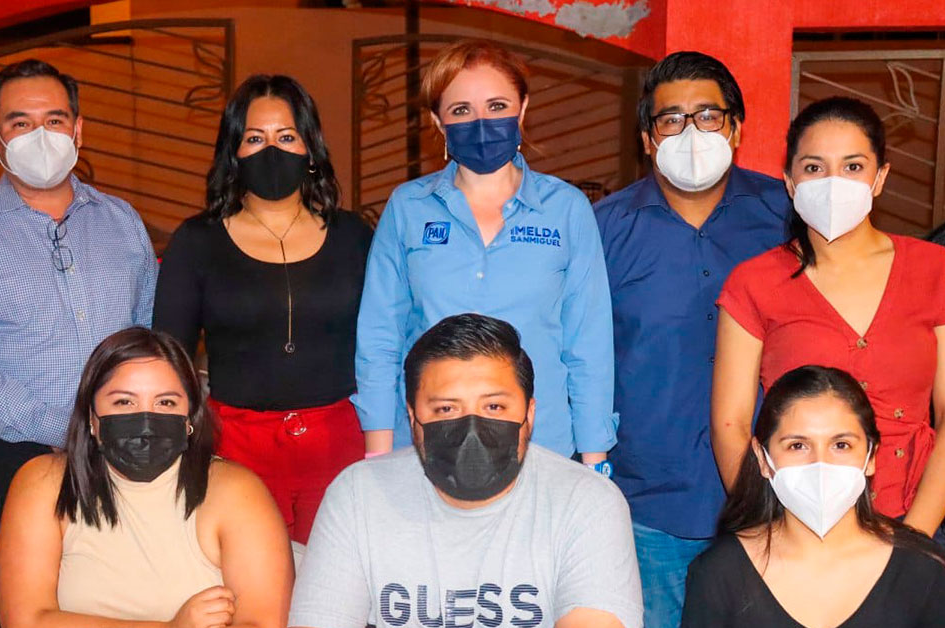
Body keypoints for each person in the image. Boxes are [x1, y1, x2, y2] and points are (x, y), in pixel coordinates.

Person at [0, 59, 158, 628]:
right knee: (5, 609)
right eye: (20, 123)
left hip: (118, 452)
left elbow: (148, 335)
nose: (40, 136)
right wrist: (63, 427)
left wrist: (126, 421)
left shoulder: (122, 222)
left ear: (78, 129)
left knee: (111, 605)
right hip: (5, 455)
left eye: (54, 120)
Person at [712, 97, 945, 545]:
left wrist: (914, 540)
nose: (833, 183)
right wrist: (769, 530)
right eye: (814, 168)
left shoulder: (937, 271)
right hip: (792, 525)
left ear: (880, 177)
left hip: (911, 517)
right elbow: (731, 424)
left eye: (852, 166)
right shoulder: (753, 283)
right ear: (790, 182)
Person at [594, 51, 790, 628]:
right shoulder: (603, 230)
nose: (691, 132)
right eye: (671, 119)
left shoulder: (787, 217)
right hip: (649, 508)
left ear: (736, 128)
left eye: (707, 115)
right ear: (648, 139)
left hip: (777, 501)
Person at [354, 39, 615, 468]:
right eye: (461, 110)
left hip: (541, 447)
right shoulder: (409, 207)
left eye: (497, 106)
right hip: (430, 445)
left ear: (522, 109)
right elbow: (380, 338)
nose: (481, 122)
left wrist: (595, 460)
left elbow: (588, 345)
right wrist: (379, 458)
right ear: (438, 122)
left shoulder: (566, 209)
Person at [290, 313, 643, 628]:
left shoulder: (587, 503)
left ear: (529, 414)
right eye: (446, 409)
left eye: (494, 406)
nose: (472, 429)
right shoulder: (358, 496)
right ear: (412, 418)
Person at [153, 74, 371, 544]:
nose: (271, 150)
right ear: (233, 153)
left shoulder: (354, 236)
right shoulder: (197, 242)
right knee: (250, 582)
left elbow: (384, 342)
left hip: (339, 447)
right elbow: (170, 357)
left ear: (310, 149)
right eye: (255, 138)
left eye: (286, 137)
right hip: (236, 449)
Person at [0, 327, 293, 627]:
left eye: (166, 403)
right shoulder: (44, 482)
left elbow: (261, 621)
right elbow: (25, 621)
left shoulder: (236, 492)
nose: (146, 420)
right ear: (91, 418)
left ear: (189, 417)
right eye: (124, 402)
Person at [683, 365, 945, 627]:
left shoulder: (922, 571)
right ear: (762, 458)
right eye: (797, 446)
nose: (820, 464)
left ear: (871, 456)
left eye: (841, 445)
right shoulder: (719, 574)